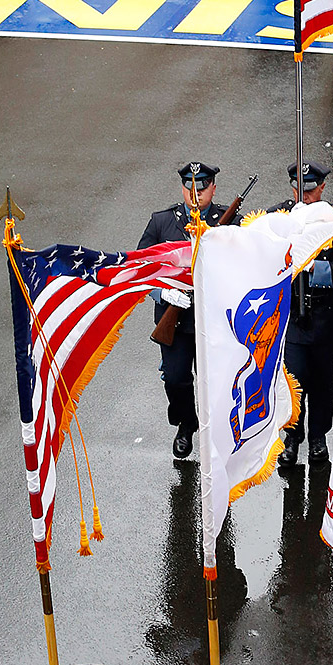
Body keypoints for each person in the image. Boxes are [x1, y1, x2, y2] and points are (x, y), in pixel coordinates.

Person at [138, 161, 226, 459]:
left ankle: (217, 435)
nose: (195, 195)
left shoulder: (228, 221)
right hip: (173, 319)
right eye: (190, 189)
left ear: (212, 188)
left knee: (213, 381)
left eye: (201, 189)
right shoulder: (162, 222)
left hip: (212, 320)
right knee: (175, 379)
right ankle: (187, 424)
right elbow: (141, 269)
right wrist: (163, 292)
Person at [274, 162, 333, 476]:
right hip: (292, 319)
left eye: (311, 190)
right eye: (300, 190)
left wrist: (317, 269)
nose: (306, 195)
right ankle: (292, 437)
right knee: (294, 380)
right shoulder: (281, 218)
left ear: (322, 188)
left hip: (325, 317)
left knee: (323, 382)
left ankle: (318, 436)